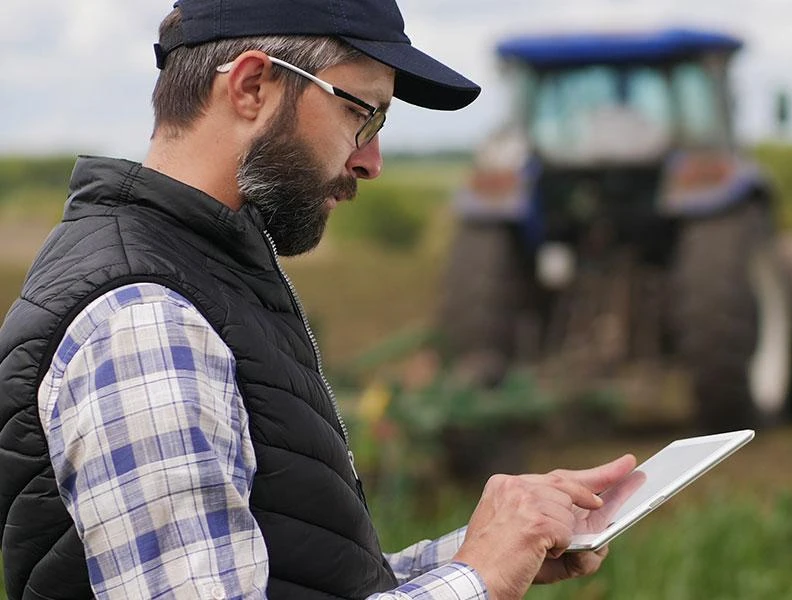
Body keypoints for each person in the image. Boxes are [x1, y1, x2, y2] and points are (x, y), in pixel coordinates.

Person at [0, 1, 637, 599]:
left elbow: (287, 574)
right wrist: (478, 579)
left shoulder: (206, 277)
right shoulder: (145, 322)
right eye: (362, 112)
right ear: (252, 87)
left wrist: (486, 548)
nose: (373, 161)